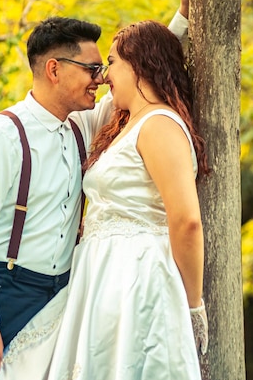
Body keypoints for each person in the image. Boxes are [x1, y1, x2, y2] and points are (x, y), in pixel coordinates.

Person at [0, 0, 192, 380]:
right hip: (2, 292)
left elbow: (141, 76)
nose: (103, 77)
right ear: (54, 69)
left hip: (62, 296)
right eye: (92, 69)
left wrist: (181, 17)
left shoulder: (85, 123)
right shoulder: (0, 136)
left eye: (103, 68)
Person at [45, 19, 210, 380]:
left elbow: (187, 220)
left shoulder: (160, 125)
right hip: (103, 275)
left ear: (139, 65)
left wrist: (194, 307)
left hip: (139, 275)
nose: (104, 75)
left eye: (112, 63)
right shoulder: (123, 124)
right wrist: (180, 16)